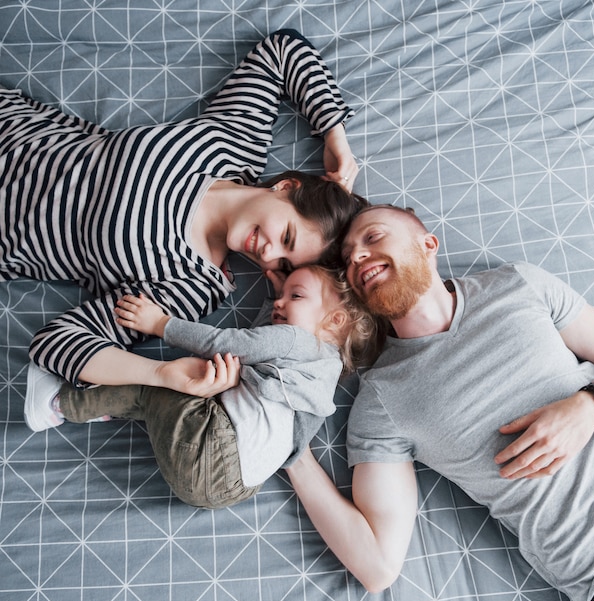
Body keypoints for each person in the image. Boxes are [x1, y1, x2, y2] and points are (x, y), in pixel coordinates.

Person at [284, 204, 594, 601]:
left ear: (427, 244)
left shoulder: (518, 283)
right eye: (348, 258)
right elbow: (376, 568)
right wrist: (291, 446)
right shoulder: (381, 400)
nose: (356, 257)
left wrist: (592, 404)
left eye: (372, 238)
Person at [0, 29, 365, 395]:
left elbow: (56, 344)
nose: (268, 253)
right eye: (286, 236)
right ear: (286, 188)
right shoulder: (232, 144)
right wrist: (336, 138)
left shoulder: (194, 286)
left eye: (283, 264)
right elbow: (282, 51)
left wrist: (161, 374)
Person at [24, 265, 379, 508]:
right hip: (232, 489)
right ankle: (107, 407)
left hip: (214, 449)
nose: (281, 302)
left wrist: (161, 323)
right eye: (282, 296)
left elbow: (229, 342)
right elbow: (256, 345)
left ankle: (58, 404)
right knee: (164, 401)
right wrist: (277, 300)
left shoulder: (298, 342)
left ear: (335, 320)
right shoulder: (324, 376)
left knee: (161, 388)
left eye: (295, 296)